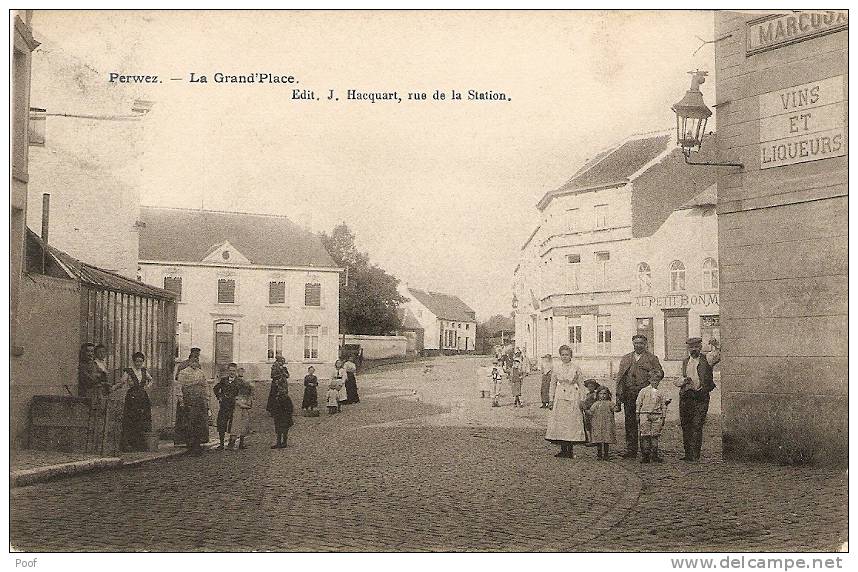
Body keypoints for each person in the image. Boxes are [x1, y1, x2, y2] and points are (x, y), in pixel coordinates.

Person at [614, 334, 664, 459]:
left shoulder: (652, 358)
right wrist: (619, 398)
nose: (638, 345)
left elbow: (660, 373)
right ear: (633, 343)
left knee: (645, 422)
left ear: (645, 344)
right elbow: (620, 378)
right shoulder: (626, 358)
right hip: (629, 394)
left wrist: (652, 377)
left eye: (641, 343)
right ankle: (631, 450)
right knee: (630, 423)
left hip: (645, 396)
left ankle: (646, 451)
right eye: (636, 343)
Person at [675, 337, 720, 462]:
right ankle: (688, 454)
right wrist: (683, 381)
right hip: (686, 396)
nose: (693, 349)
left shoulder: (707, 359)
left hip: (701, 397)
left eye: (696, 347)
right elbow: (676, 380)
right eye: (691, 347)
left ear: (700, 347)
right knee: (686, 425)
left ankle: (695, 454)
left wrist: (716, 345)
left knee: (697, 424)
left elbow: (718, 355)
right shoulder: (684, 362)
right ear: (688, 348)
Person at [545, 345, 586, 458]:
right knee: (561, 423)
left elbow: (581, 384)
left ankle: (570, 450)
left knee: (571, 423)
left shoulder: (576, 368)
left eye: (567, 354)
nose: (565, 357)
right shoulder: (557, 368)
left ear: (571, 355)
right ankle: (563, 449)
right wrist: (551, 399)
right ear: (560, 356)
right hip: (560, 396)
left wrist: (583, 399)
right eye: (562, 355)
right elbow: (552, 384)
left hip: (572, 395)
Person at [119, 351, 153, 452]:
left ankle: (140, 444)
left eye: (141, 361)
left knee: (142, 419)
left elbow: (151, 380)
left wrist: (147, 386)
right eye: (137, 361)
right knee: (131, 419)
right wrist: (121, 385)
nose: (139, 363)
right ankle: (129, 443)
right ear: (133, 361)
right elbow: (122, 381)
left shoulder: (143, 371)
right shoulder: (128, 371)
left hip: (142, 396)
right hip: (132, 397)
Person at [176, 354, 210, 455]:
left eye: (196, 361)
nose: (194, 363)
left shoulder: (201, 372)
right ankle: (190, 445)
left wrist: (207, 398)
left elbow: (205, 386)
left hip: (199, 400)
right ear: (189, 361)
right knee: (189, 422)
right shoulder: (183, 372)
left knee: (199, 422)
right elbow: (179, 387)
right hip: (188, 399)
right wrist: (181, 400)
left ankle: (197, 444)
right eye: (193, 361)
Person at [637, 368, 671, 463]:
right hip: (645, 415)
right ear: (649, 380)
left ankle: (655, 455)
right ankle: (645, 455)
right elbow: (638, 403)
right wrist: (637, 414)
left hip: (657, 415)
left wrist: (663, 417)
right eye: (653, 380)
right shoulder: (643, 391)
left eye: (657, 380)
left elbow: (663, 405)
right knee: (645, 435)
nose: (655, 382)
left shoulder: (661, 392)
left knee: (655, 436)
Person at [213, 363, 240, 450]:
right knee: (221, 424)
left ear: (236, 371)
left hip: (234, 406)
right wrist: (219, 396)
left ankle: (231, 443)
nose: (232, 372)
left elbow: (243, 392)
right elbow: (215, 388)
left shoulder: (239, 381)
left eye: (234, 371)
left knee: (233, 424)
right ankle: (221, 444)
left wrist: (238, 399)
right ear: (228, 371)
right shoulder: (223, 380)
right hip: (224, 405)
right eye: (230, 370)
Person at [588, 387, 617, 460]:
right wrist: (585, 409)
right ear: (598, 395)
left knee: (606, 439)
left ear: (608, 395)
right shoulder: (596, 404)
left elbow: (615, 409)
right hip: (598, 424)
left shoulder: (610, 403)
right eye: (601, 394)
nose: (603, 395)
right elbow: (591, 412)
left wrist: (618, 405)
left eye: (604, 394)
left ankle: (606, 454)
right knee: (599, 439)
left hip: (607, 424)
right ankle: (599, 454)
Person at [266, 371, 294, 448]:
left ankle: (284, 442)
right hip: (278, 416)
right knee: (278, 429)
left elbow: (290, 408)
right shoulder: (277, 397)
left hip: (285, 416)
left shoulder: (286, 398)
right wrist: (274, 412)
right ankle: (278, 442)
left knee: (284, 429)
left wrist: (288, 414)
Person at [229, 368, 253, 450]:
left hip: (244, 403)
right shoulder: (235, 384)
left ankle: (241, 443)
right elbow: (234, 397)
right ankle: (231, 443)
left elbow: (250, 394)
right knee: (236, 424)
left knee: (244, 424)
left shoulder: (245, 384)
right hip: (238, 405)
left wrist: (247, 403)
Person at [581, 379, 602, 446]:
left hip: (593, 411)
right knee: (588, 426)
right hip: (587, 412)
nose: (590, 388)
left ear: (595, 387)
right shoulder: (587, 394)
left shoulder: (595, 394)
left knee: (593, 425)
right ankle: (589, 439)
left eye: (592, 386)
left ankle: (594, 440)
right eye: (589, 386)